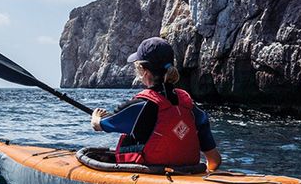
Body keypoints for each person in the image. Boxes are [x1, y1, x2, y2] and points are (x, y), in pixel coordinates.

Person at [90, 37, 222, 171]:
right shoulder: (191, 108)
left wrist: (96, 116)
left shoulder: (139, 106)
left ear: (144, 72)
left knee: (130, 139)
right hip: (189, 173)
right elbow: (214, 160)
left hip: (151, 174)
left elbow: (99, 125)